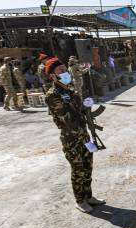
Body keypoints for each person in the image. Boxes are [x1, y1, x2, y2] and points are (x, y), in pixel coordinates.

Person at [44, 57, 106, 213]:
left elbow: (80, 110)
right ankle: (80, 200)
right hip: (71, 138)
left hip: (83, 135)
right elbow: (67, 120)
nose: (65, 73)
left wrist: (87, 105)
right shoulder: (52, 95)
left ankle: (89, 196)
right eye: (61, 71)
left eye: (65, 70)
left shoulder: (70, 90)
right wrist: (80, 119)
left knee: (88, 166)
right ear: (53, 76)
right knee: (78, 169)